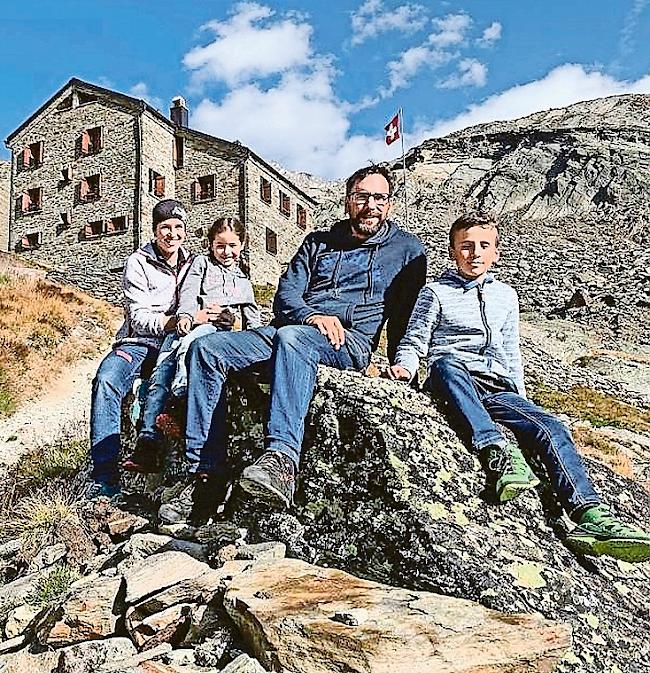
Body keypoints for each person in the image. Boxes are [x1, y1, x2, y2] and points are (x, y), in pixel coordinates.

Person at [384, 211, 650, 563]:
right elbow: (415, 339)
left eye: (483, 246)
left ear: (496, 252)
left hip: (498, 387)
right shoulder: (435, 292)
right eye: (465, 246)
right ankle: (498, 452)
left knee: (551, 427)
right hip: (452, 381)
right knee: (447, 364)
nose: (474, 253)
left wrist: (522, 404)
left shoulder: (506, 296)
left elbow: (511, 352)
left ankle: (590, 514)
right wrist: (405, 367)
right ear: (452, 252)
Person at [182, 164, 426, 515]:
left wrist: (405, 368)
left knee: (294, 338)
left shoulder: (407, 250)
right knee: (206, 349)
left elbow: (407, 315)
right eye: (362, 197)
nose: (371, 205)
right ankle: (205, 474)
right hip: (293, 329)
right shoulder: (317, 243)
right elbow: (285, 296)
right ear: (347, 201)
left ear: (388, 204)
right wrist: (312, 316)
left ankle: (282, 460)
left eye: (379, 198)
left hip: (349, 341)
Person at [122, 217, 261, 524]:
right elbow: (187, 294)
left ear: (242, 246)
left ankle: (179, 404)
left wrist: (236, 324)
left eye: (232, 246)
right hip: (191, 326)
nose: (226, 252)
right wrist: (186, 316)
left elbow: (252, 320)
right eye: (220, 246)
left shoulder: (244, 282)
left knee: (190, 349)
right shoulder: (201, 265)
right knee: (161, 372)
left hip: (218, 336)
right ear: (210, 245)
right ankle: (148, 441)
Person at [88, 199, 193, 498]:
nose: (171, 235)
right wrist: (175, 321)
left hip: (175, 345)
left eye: (177, 228)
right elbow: (138, 316)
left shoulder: (194, 263)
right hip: (139, 344)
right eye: (165, 228)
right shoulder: (138, 261)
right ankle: (104, 478)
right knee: (107, 379)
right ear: (154, 230)